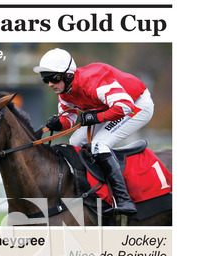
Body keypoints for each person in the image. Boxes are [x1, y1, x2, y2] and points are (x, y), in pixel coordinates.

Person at [34, 48, 154, 215]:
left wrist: (95, 117)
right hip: (110, 108)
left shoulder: (93, 81)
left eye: (54, 78)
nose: (50, 84)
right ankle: (88, 190)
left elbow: (124, 106)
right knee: (75, 142)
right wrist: (57, 124)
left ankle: (123, 199)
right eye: (45, 79)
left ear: (68, 75)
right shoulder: (65, 93)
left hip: (136, 105)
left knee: (99, 144)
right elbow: (68, 121)